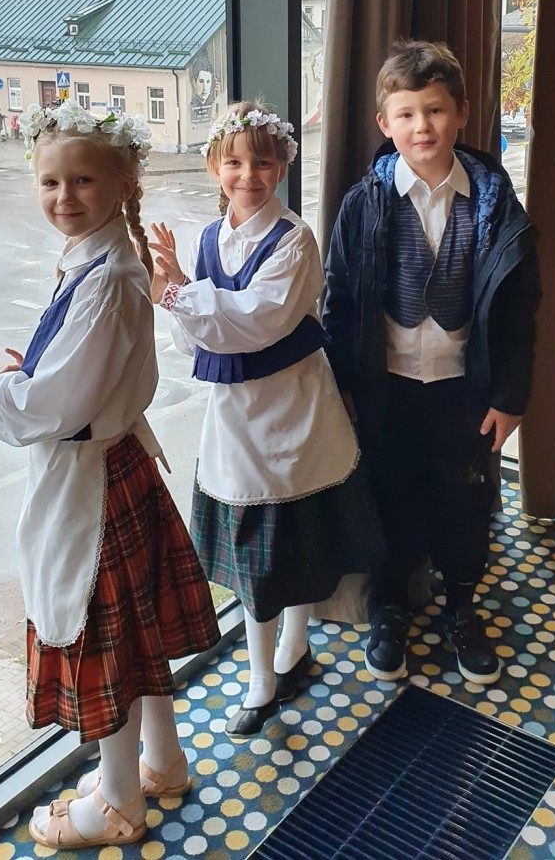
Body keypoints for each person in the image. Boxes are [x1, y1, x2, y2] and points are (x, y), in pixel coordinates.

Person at [0, 99, 219, 850]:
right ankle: (163, 761)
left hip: (94, 483)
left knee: (106, 644)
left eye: (83, 180)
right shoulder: (102, 258)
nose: (64, 196)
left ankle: (119, 803)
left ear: (123, 184)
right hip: (118, 468)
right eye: (51, 182)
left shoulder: (107, 276)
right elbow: (79, 380)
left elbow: (50, 410)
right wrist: (38, 374)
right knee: (136, 632)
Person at [150, 101, 379, 739]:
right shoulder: (207, 240)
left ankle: (294, 645)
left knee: (298, 534)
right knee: (257, 551)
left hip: (294, 407)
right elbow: (199, 339)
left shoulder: (295, 239)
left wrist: (179, 292)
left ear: (282, 168)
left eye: (263, 162)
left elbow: (258, 320)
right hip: (237, 419)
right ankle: (260, 676)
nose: (247, 174)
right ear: (214, 167)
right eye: (234, 162)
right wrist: (174, 298)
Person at [322, 40, 540, 686]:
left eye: (437, 110)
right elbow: (339, 301)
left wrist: (510, 396)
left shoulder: (496, 203)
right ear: (385, 124)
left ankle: (462, 608)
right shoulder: (364, 203)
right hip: (385, 388)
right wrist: (344, 387)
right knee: (390, 497)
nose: (424, 126)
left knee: (463, 502)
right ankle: (391, 607)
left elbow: (520, 310)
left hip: (463, 388)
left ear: (462, 113)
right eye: (408, 114)